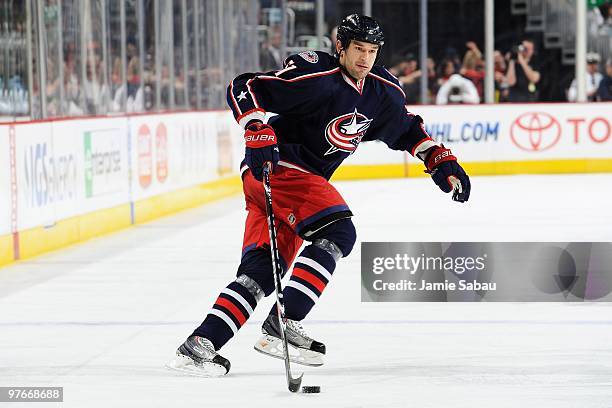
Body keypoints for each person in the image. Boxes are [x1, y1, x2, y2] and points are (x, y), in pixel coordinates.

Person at [168, 14, 471, 376]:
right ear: (340, 47)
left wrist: (436, 158)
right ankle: (285, 322)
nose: (365, 58)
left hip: (278, 182)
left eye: (372, 51)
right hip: (281, 168)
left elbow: (404, 128)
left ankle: (199, 346)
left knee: (262, 273)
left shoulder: (381, 92)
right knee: (338, 232)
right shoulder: (315, 77)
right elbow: (244, 86)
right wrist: (255, 126)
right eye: (358, 49)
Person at [506, 38, 540, 102]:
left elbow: (533, 78)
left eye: (527, 48)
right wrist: (512, 59)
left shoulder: (535, 63)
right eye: (524, 48)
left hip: (530, 100)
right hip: (514, 100)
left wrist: (522, 60)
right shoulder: (513, 64)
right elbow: (510, 82)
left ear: (532, 50)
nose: (525, 50)